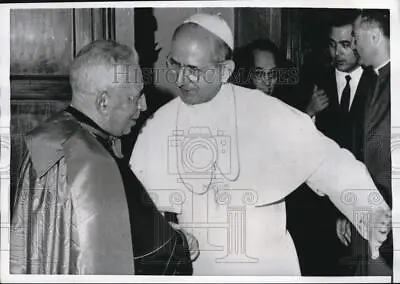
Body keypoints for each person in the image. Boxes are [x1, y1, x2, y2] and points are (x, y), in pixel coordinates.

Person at [129, 13, 391, 276]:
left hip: (266, 264)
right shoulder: (158, 125)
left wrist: (369, 210)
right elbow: (141, 211)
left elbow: (329, 162)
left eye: (194, 70)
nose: (180, 79)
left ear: (226, 70)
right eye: (175, 64)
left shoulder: (266, 112)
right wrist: (169, 233)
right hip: (199, 268)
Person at [10, 40, 194, 275]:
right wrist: (181, 242)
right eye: (134, 97)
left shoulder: (47, 138)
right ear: (103, 102)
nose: (143, 106)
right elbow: (158, 256)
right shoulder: (97, 163)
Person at [287, 9, 378, 276]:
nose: (337, 53)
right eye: (332, 44)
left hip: (363, 206)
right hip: (318, 212)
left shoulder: (380, 84)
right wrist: (308, 112)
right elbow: (289, 143)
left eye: (346, 45)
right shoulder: (310, 81)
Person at [347, 9, 391, 276]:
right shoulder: (376, 80)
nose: (353, 44)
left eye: (355, 36)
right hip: (372, 212)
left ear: (374, 36)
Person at [244, 38, 301, 109]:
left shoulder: (280, 107)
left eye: (272, 73)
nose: (267, 82)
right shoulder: (237, 108)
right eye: (259, 73)